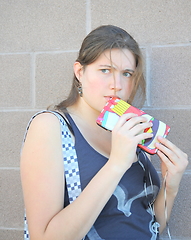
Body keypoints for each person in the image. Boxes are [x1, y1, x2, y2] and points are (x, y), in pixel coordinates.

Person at [20, 25, 188, 240]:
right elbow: (44, 237)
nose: (117, 85)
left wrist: (169, 187)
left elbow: (151, 226)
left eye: (127, 74)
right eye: (105, 70)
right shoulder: (52, 126)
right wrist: (116, 164)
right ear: (80, 72)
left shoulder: (129, 128)